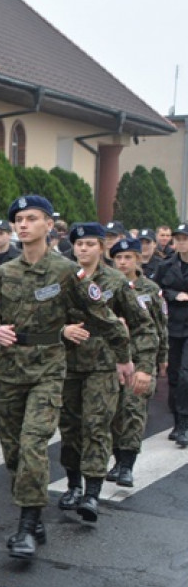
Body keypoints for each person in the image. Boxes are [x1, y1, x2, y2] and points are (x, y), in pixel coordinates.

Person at [0, 197, 133, 559]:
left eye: (32, 218)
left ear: (50, 226)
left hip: (48, 368)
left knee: (32, 443)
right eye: (19, 219)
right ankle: (34, 517)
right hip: (11, 370)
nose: (23, 224)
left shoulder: (66, 272)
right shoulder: (6, 273)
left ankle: (27, 526)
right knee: (13, 450)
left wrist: (123, 357)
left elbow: (101, 316)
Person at [57, 223, 156, 522]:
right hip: (67, 365)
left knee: (97, 425)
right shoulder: (61, 278)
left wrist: (144, 368)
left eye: (90, 244)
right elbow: (42, 320)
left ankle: (91, 492)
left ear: (101, 248)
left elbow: (143, 326)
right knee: (70, 427)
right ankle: (73, 484)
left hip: (104, 365)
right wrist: (63, 330)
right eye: (79, 244)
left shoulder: (115, 281)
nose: (83, 249)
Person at [108, 237, 169, 485]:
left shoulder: (150, 289)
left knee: (133, 410)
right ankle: (116, 457)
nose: (123, 263)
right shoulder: (105, 286)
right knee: (113, 413)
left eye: (128, 258)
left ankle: (127, 465)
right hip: (112, 359)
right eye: (118, 258)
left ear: (137, 259)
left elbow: (159, 327)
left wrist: (161, 358)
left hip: (141, 356)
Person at [155, 223, 188, 443]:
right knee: (174, 375)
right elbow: (155, 289)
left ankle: (184, 423)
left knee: (186, 374)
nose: (181, 242)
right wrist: (174, 294)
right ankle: (177, 422)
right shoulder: (167, 265)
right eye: (179, 239)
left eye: (185, 238)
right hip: (174, 325)